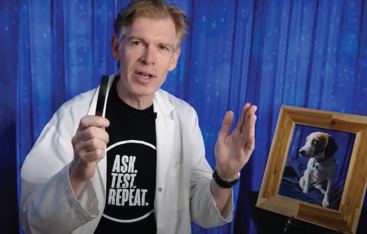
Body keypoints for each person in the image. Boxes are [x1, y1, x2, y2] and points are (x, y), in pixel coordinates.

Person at [19, 0, 257, 233]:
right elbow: (34, 223)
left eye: (162, 47)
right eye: (137, 43)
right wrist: (76, 175)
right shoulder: (73, 115)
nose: (148, 58)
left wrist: (225, 176)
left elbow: (203, 212)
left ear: (173, 59)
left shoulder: (184, 117)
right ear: (116, 47)